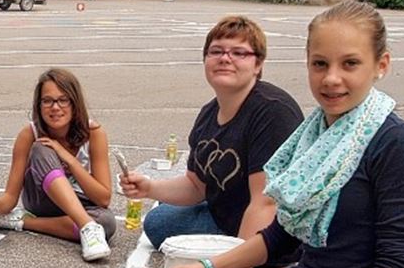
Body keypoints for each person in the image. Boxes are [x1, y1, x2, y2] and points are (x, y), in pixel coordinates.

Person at [157, 1, 404, 268]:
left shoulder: (395, 143)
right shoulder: (317, 132)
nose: (331, 79)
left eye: (350, 64)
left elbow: (397, 263)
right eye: (320, 64)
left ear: (381, 65)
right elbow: (281, 236)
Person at [120, 16, 303, 252]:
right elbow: (196, 186)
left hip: (272, 229)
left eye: (239, 53)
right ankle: (221, 243)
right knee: (158, 222)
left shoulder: (272, 112)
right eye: (216, 51)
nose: (225, 58)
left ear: (258, 64)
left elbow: (266, 203)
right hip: (226, 214)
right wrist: (149, 188)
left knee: (165, 225)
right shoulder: (209, 114)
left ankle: (241, 252)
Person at [0, 68, 116, 261]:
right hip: (42, 200)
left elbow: (103, 199)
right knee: (42, 149)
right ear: (38, 106)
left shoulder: (94, 133)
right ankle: (86, 227)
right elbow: (10, 199)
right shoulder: (29, 134)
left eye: (63, 100)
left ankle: (22, 222)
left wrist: (69, 159)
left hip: (77, 203)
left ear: (75, 103)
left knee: (107, 223)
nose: (55, 107)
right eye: (47, 101)